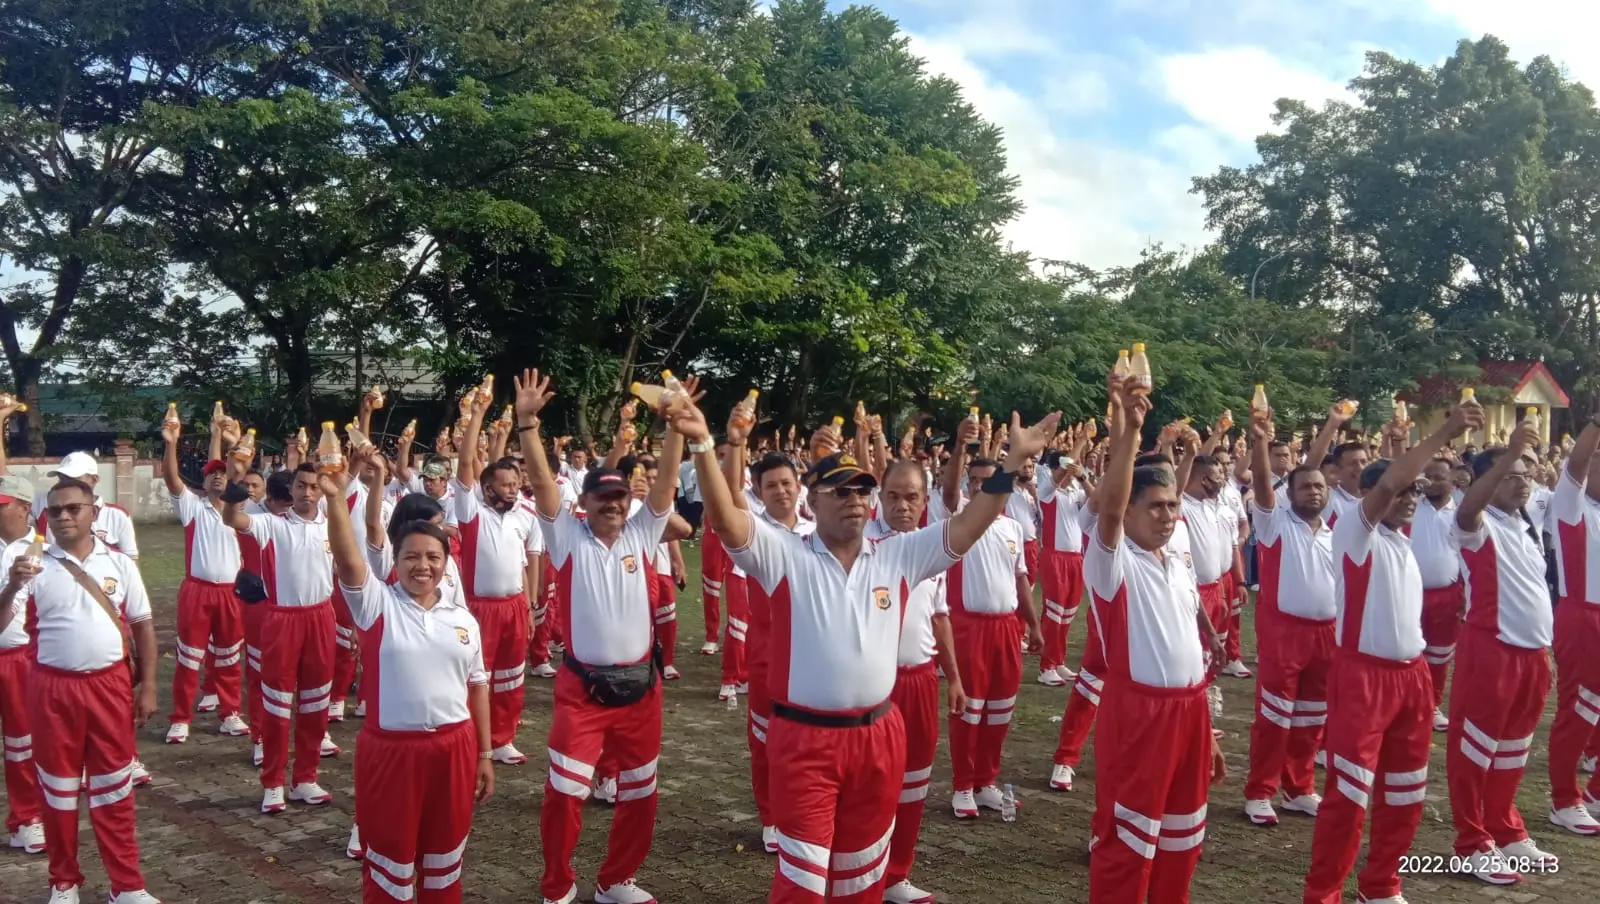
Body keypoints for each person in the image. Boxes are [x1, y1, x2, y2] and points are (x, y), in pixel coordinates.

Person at [675, 380, 1059, 903]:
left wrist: (1011, 464)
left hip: (879, 735)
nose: (854, 501)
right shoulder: (785, 555)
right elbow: (725, 519)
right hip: (805, 742)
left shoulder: (899, 556)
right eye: (840, 491)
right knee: (804, 881)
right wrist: (702, 441)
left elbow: (970, 524)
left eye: (861, 491)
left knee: (862, 877)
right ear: (814, 499)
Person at [1303, 400, 1481, 904]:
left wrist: (1407, 446)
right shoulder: (1353, 533)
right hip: (1363, 679)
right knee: (1349, 798)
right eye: (1402, 490)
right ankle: (1323, 894)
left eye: (1415, 492)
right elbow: (1385, 483)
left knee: (1406, 794)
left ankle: (1380, 886)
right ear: (1372, 496)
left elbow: (1397, 484)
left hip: (1413, 679)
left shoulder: (1402, 541)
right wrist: (1444, 426)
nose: (1409, 498)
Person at [520, 369, 687, 904]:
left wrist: (679, 423)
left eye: (619, 498)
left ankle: (615, 881)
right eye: (602, 499)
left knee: (641, 793)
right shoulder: (567, 539)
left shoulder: (642, 532)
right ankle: (557, 885)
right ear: (585, 505)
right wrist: (526, 424)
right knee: (565, 793)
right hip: (582, 690)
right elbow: (545, 484)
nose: (613, 505)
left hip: (642, 689)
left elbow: (662, 487)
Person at [323, 457, 494, 902]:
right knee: (390, 867)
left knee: (443, 863)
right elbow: (346, 558)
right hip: (391, 753)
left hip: (455, 748)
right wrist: (335, 498)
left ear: (446, 563)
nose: (423, 566)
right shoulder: (377, 605)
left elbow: (478, 687)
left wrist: (485, 753)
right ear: (395, 561)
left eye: (433, 557)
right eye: (411, 556)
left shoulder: (464, 620)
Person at [1086, 379, 1225, 904]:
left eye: (1172, 506)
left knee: (1183, 838)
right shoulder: (1112, 563)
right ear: (1131, 510)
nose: (1167, 516)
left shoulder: (1178, 560)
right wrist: (1132, 432)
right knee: (1129, 840)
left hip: (1189, 713)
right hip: (1139, 715)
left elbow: (1189, 648)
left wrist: (1206, 731)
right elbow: (1110, 510)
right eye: (1156, 507)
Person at [1, 477, 161, 904]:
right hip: (52, 690)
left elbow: (143, 625)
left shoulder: (119, 563)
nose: (65, 516)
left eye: (74, 508)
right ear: (45, 517)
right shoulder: (33, 565)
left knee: (114, 788)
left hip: (108, 687)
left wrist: (147, 686)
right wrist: (12, 586)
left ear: (94, 511)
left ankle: (126, 885)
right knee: (57, 792)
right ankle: (64, 882)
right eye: (56, 511)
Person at [1446, 421, 1560, 883]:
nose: (1522, 479)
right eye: (1511, 472)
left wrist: (1520, 456)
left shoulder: (1525, 524)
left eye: (1528, 471)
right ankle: (1472, 841)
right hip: (1491, 649)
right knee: (1474, 750)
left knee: (1513, 751)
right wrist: (1511, 450)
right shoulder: (1475, 521)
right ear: (1485, 479)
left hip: (1534, 654)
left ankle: (1505, 827)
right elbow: (1470, 506)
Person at [933, 426, 1040, 818]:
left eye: (987, 481)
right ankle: (962, 785)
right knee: (969, 709)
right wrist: (960, 445)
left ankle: (985, 782)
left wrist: (1034, 624)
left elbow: (1021, 580)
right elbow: (947, 493)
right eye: (974, 481)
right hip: (968, 627)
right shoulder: (956, 519)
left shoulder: (1011, 527)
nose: (979, 488)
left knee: (1000, 710)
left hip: (1005, 628)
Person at [874, 459, 965, 904]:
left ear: (925, 500)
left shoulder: (933, 549)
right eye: (893, 496)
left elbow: (940, 616)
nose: (902, 506)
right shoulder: (863, 545)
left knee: (913, 784)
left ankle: (896, 875)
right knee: (874, 787)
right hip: (876, 688)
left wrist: (954, 678)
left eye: (911, 497)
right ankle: (862, 875)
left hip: (922, 681)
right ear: (880, 497)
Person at [222, 464, 338, 813]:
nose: (307, 493)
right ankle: (273, 782)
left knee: (316, 704)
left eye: (314, 487)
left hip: (321, 618)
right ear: (292, 488)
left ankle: (305, 778)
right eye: (301, 486)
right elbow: (233, 520)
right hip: (282, 620)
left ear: (322, 489)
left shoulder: (333, 525)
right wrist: (232, 495)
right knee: (277, 705)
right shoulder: (273, 524)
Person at [1241, 411, 1333, 827]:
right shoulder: (1275, 523)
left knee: (1312, 718)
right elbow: (1262, 485)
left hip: (1327, 636)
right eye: (1305, 486)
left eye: (1318, 486)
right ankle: (1260, 791)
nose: (1313, 492)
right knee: (1275, 717)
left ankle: (1299, 788)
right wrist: (1259, 442)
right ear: (1289, 493)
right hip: (1284, 632)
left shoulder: (1335, 531)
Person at [454, 395, 545, 766]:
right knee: (478, 677)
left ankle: (503, 736)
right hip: (479, 608)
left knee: (511, 675)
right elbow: (464, 464)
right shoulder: (472, 512)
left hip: (514, 605)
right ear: (487, 487)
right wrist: (476, 415)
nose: (512, 488)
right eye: (504, 483)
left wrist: (531, 605)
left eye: (516, 482)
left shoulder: (526, 514)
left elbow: (531, 561)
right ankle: (473, 739)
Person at [160, 419, 248, 744]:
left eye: (222, 472)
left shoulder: (240, 509)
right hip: (197, 592)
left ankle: (230, 713)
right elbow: (171, 478)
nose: (216, 476)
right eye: (211, 472)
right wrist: (171, 443)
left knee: (228, 658)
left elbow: (241, 472)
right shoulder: (193, 508)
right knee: (188, 658)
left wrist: (229, 444)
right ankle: (181, 718)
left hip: (230, 593)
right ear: (204, 479)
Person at [1548, 412, 1600, 834]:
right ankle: (1565, 800)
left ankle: (1596, 794)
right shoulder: (1571, 507)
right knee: (1577, 714)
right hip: (1582, 617)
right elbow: (1577, 465)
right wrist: (1597, 422)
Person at [0, 474, 43, 855]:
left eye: (2, 505)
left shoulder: (43, 550)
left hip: (19, 659)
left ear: (24, 508)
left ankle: (26, 819)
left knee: (21, 746)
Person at [1413, 457, 1463, 732]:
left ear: (1453, 479)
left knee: (1439, 657)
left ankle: (1431, 705)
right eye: (1428, 476)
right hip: (1411, 595)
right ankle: (1411, 706)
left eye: (1439, 476)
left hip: (1447, 596)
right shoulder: (1410, 507)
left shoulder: (1463, 513)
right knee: (1411, 652)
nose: (1432, 482)